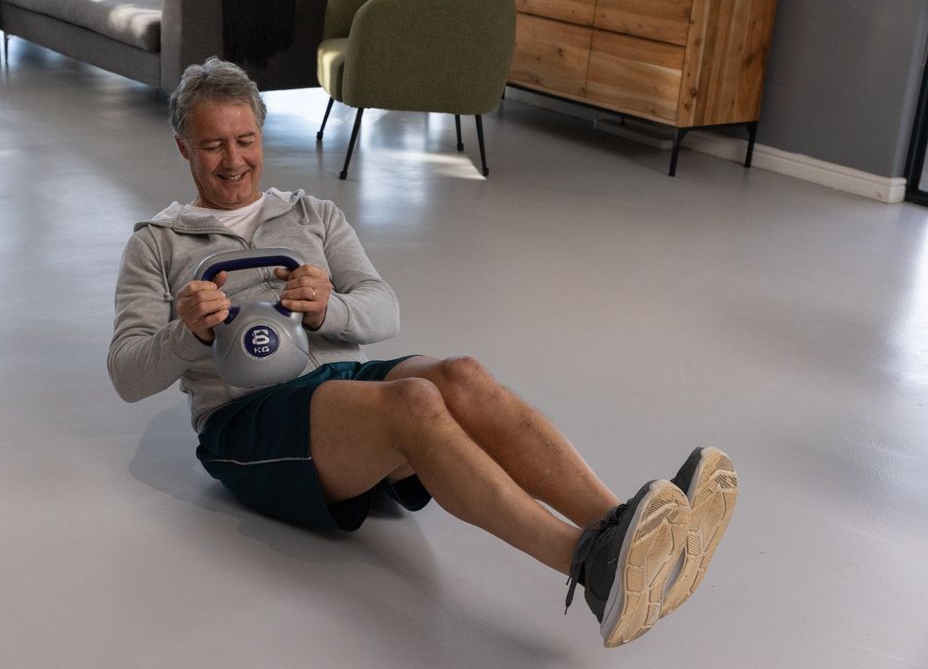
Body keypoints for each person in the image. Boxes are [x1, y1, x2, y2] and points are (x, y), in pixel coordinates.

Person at [107, 57, 739, 649]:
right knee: (413, 401)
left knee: (461, 374)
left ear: (261, 136)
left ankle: (631, 528)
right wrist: (185, 330)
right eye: (213, 144)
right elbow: (128, 374)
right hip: (248, 419)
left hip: (343, 383)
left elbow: (384, 309)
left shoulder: (311, 215)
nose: (233, 159)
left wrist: (330, 309)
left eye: (244, 139)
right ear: (184, 147)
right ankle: (591, 567)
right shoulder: (158, 244)